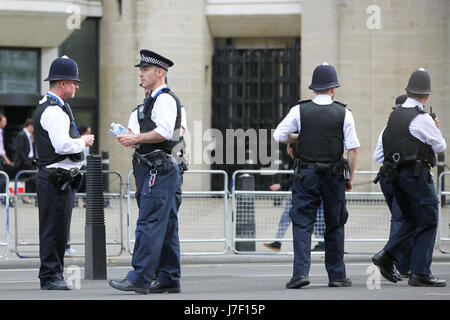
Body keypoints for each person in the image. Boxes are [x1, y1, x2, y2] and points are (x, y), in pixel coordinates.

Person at [273, 62, 360, 289]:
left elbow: (279, 135)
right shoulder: (344, 113)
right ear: (333, 89)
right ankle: (337, 276)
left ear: (313, 89)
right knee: (335, 223)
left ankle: (300, 274)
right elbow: (353, 150)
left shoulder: (299, 110)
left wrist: (301, 136)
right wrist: (349, 177)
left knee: (302, 223)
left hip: (306, 174)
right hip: (333, 175)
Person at [109, 49, 182, 294]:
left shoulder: (165, 99)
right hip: (152, 167)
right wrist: (134, 139)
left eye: (145, 69)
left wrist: (136, 138)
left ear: (159, 72)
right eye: (140, 69)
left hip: (158, 168)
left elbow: (164, 132)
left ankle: (139, 277)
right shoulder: (150, 103)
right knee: (167, 224)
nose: (140, 73)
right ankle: (169, 277)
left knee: (149, 223)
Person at [371, 68, 447, 287]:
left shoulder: (393, 116)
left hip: (396, 176)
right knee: (429, 220)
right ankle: (420, 273)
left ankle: (387, 255)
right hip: (417, 175)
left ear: (406, 90)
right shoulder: (421, 118)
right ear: (427, 95)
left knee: (411, 220)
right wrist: (433, 128)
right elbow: (441, 146)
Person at [33, 55, 95, 290]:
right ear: (63, 84)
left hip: (56, 178)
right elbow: (62, 145)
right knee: (54, 229)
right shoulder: (55, 111)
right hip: (55, 178)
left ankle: (52, 274)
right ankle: (50, 276)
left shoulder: (54, 107)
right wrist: (84, 141)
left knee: (57, 228)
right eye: (74, 82)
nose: (77, 86)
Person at [373, 94, 412, 279]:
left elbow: (377, 157)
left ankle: (402, 263)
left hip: (386, 177)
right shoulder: (412, 126)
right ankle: (390, 260)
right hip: (403, 178)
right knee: (403, 220)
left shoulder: (386, 128)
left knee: (402, 220)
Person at [264, 143, 325, 252]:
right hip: (302, 192)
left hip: (300, 192)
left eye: (287, 146)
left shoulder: (300, 160)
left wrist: (281, 185)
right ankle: (278, 241)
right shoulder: (296, 160)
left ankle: (321, 243)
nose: (286, 149)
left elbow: (296, 177)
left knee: (313, 219)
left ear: (291, 148)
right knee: (291, 217)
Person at [13, 118, 36, 203]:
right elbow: (20, 149)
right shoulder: (22, 134)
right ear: (30, 125)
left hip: (30, 159)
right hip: (24, 161)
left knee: (29, 179)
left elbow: (30, 148)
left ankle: (26, 197)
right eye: (33, 127)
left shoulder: (29, 135)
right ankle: (30, 197)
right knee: (31, 178)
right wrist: (26, 161)